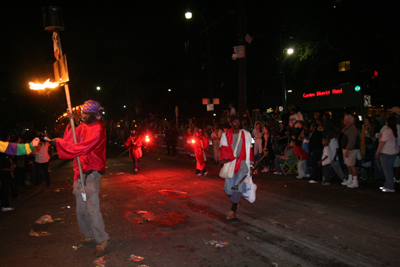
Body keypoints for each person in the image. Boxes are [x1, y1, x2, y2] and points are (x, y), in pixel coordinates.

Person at [49, 100, 109, 256]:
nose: (83, 116)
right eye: (82, 113)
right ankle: (88, 234)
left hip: (93, 171)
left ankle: (101, 239)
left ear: (95, 114)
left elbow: (81, 147)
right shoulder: (84, 125)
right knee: (80, 206)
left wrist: (59, 144)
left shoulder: (98, 129)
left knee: (92, 205)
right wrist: (72, 122)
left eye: (86, 114)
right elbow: (71, 138)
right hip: (80, 170)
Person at [220, 115, 254, 220]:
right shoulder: (225, 135)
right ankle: (235, 199)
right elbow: (224, 151)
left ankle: (233, 209)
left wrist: (251, 164)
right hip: (231, 164)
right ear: (231, 123)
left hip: (243, 164)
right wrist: (223, 159)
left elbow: (250, 150)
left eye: (238, 121)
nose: (237, 123)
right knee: (228, 190)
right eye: (234, 121)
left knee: (238, 186)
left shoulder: (246, 134)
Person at [376, 117, 399, 192]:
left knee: (387, 169)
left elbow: (382, 142)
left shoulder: (387, 130)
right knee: (389, 169)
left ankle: (389, 186)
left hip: (387, 152)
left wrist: (378, 151)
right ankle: (388, 184)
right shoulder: (394, 129)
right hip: (394, 151)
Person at [341, 114, 360, 188]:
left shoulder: (352, 128)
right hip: (347, 148)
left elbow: (352, 140)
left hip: (351, 149)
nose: (344, 121)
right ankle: (350, 179)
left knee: (351, 165)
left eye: (345, 120)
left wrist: (348, 149)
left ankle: (355, 181)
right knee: (348, 164)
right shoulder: (348, 128)